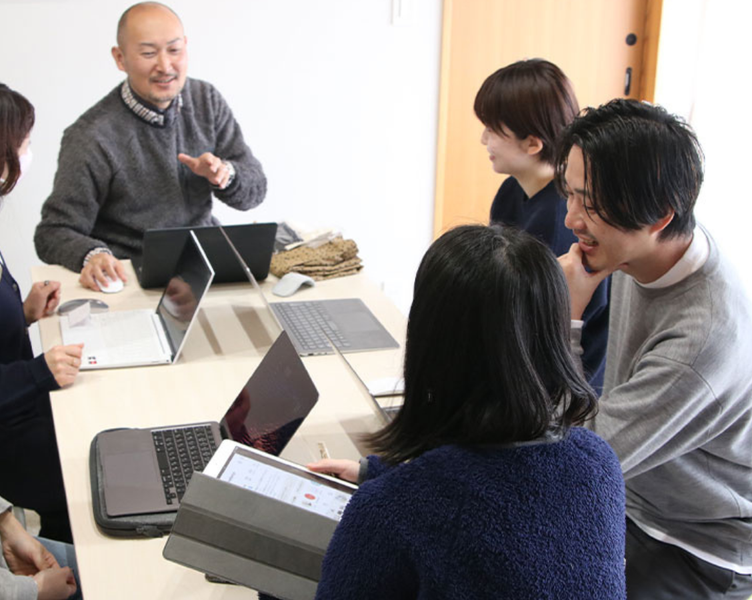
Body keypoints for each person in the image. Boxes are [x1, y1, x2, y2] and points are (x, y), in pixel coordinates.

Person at [307, 225, 626, 599]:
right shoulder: (598, 463)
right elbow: (505, 500)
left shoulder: (391, 511)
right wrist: (381, 474)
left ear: (430, 342)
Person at [556, 99, 752, 598]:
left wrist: (566, 319)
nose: (571, 219)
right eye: (570, 194)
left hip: (696, 541)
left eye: (590, 203)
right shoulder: (641, 249)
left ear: (659, 216)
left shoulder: (701, 336)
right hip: (630, 493)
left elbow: (577, 461)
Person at [34, 1, 267, 292]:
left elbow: (255, 191)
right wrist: (93, 255)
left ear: (186, 47)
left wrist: (225, 175)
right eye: (148, 53)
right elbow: (53, 232)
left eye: (174, 50)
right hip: (134, 279)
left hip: (204, 267)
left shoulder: (206, 100)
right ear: (120, 58)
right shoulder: (92, 136)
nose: (165, 66)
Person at [0, 81, 83, 543]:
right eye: (23, 143)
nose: (28, 154)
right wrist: (37, 372)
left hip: (16, 408)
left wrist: (22, 313)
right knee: (86, 472)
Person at [474, 58, 609, 391]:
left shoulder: (563, 219)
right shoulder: (512, 190)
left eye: (493, 130)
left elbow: (542, 331)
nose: (483, 139)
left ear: (533, 143)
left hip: (557, 381)